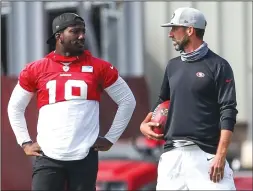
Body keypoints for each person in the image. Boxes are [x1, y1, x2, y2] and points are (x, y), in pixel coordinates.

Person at [8, 13, 136, 191]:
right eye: (75, 31)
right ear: (59, 36)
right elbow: (15, 107)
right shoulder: (35, 69)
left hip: (84, 156)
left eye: (83, 31)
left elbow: (127, 100)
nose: (82, 36)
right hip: (48, 156)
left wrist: (111, 137)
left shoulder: (100, 67)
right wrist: (24, 142)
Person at [140, 7, 238, 190]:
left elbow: (228, 110)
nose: (170, 34)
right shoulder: (172, 66)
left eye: (174, 28)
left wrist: (221, 155)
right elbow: (163, 101)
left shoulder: (219, 66)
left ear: (190, 30)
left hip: (206, 155)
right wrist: (145, 124)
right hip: (172, 157)